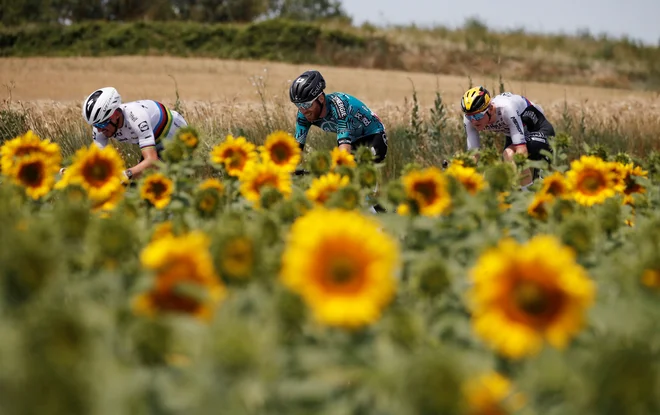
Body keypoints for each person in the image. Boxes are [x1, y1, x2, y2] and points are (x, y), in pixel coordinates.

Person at [64, 87, 188, 180]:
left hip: (175, 135)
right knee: (134, 185)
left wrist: (124, 174)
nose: (99, 130)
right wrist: (76, 171)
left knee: (160, 180)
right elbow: (98, 161)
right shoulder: (101, 124)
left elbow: (151, 161)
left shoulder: (136, 117)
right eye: (95, 125)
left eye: (101, 124)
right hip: (155, 140)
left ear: (116, 115)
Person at [461, 86, 554, 188]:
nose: (474, 121)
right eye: (469, 116)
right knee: (506, 165)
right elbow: (474, 155)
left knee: (510, 155)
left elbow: (521, 150)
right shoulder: (469, 121)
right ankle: (527, 193)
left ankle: (528, 196)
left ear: (491, 109)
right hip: (517, 133)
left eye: (478, 116)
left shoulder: (506, 108)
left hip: (539, 129)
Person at [289, 70, 388, 164]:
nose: (303, 110)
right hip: (354, 139)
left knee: (354, 169)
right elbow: (297, 149)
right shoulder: (303, 114)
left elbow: (343, 152)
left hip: (374, 135)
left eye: (306, 105)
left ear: (321, 98)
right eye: (298, 105)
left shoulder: (340, 107)